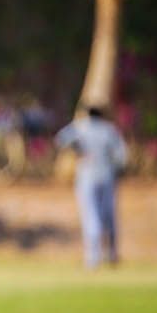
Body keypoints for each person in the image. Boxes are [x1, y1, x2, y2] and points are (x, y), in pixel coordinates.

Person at [55, 104, 128, 269]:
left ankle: (93, 257)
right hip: (107, 176)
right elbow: (121, 156)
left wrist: (79, 151)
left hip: (86, 176)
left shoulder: (81, 127)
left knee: (91, 215)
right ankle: (111, 253)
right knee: (108, 215)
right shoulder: (109, 129)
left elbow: (60, 139)